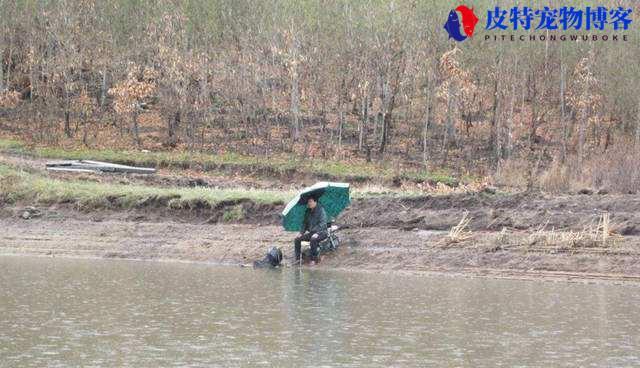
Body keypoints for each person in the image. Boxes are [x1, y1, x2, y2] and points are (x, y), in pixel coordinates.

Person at [294, 197, 328, 265]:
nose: (309, 203)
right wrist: (301, 233)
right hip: (312, 232)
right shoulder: (307, 212)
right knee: (297, 239)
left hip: (322, 232)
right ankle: (298, 258)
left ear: (315, 202)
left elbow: (323, 224)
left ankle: (314, 259)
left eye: (310, 201)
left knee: (313, 239)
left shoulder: (321, 210)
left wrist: (317, 233)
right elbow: (304, 224)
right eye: (308, 202)